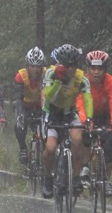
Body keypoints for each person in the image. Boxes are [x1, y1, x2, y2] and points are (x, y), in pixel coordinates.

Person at [41, 44, 93, 199]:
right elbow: (49, 97)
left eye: (73, 65)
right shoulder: (51, 73)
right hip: (52, 114)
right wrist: (58, 80)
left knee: (77, 140)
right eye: (67, 65)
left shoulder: (82, 79)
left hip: (70, 113)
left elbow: (88, 100)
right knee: (50, 148)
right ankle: (48, 178)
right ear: (60, 63)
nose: (70, 69)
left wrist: (89, 117)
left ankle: (76, 177)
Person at [76, 50, 112, 196]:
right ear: (88, 68)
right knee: (84, 137)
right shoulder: (82, 81)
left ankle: (106, 180)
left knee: (108, 147)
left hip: (104, 116)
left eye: (100, 69)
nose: (96, 72)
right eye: (93, 68)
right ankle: (84, 167)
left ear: (105, 69)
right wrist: (85, 121)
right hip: (87, 115)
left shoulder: (111, 82)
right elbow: (80, 103)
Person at [14, 47, 46, 165]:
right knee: (19, 126)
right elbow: (18, 98)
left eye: (38, 66)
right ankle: (22, 148)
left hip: (41, 106)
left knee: (47, 131)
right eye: (32, 66)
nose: (35, 70)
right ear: (27, 65)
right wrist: (20, 114)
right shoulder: (21, 75)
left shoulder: (46, 74)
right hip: (25, 105)